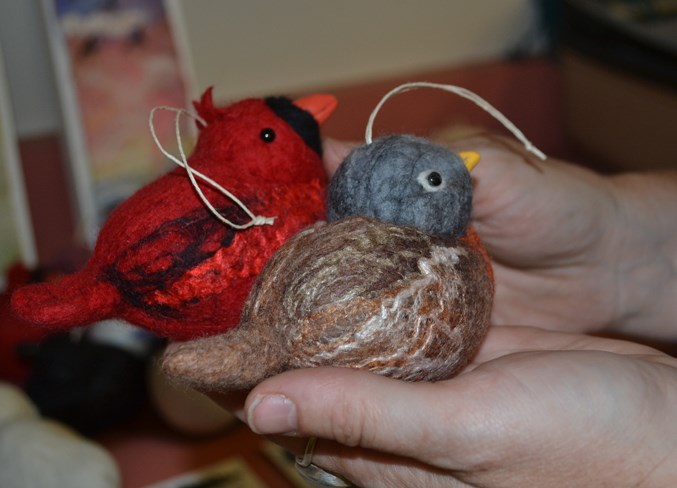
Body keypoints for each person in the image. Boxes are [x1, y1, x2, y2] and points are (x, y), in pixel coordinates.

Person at [215, 134, 677, 487]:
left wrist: (654, 459)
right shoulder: (381, 256)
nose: (467, 169)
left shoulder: (452, 262)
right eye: (435, 180)